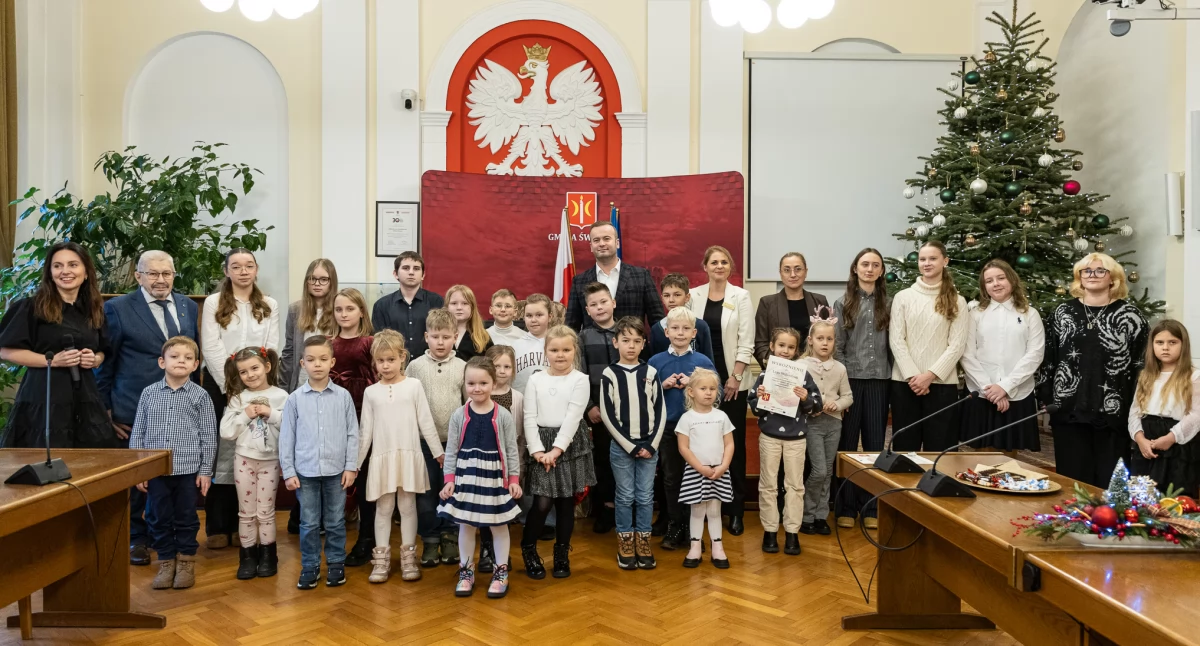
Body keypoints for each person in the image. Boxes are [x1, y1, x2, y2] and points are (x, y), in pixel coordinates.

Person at [96, 249, 200, 565]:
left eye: (166, 273)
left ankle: (164, 537)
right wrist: (106, 412)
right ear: (138, 276)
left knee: (171, 480)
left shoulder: (188, 307)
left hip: (180, 408)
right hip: (133, 409)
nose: (160, 279)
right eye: (152, 273)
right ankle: (135, 539)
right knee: (137, 481)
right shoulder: (117, 308)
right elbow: (105, 364)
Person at [1038, 253, 1149, 487]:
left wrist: (1139, 406)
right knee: (1071, 482)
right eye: (1086, 271)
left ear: (1113, 278)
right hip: (1068, 409)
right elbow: (1048, 357)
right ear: (1079, 278)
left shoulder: (1131, 316)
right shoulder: (1062, 313)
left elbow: (1142, 364)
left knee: (1111, 484)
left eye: (1100, 271)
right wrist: (1047, 398)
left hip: (1114, 412)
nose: (1092, 275)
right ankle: (1072, 523)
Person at [200, 248, 280, 550]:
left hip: (259, 386)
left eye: (249, 265)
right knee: (224, 447)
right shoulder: (213, 303)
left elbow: (271, 347)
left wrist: (258, 385)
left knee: (254, 447)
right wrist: (231, 386)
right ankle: (219, 525)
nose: (243, 271)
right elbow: (211, 346)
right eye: (236, 266)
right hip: (224, 387)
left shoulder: (269, 304)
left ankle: (255, 525)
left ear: (256, 270)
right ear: (227, 271)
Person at [0, 241, 112, 449]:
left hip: (85, 395)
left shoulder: (94, 310)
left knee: (90, 463)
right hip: (44, 393)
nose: (65, 271)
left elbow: (103, 350)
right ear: (50, 273)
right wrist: (51, 360)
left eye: (73, 265)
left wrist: (94, 359)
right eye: (57, 266)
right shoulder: (30, 307)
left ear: (86, 272)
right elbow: (6, 350)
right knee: (44, 460)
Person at [357, 329, 443, 584]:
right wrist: (355, 465)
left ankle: (408, 557)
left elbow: (426, 421)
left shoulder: (414, 386)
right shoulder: (371, 392)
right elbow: (365, 432)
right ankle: (381, 560)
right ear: (374, 362)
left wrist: (438, 453)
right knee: (383, 508)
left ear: (402, 357)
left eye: (391, 359)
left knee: (407, 506)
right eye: (381, 361)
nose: (386, 365)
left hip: (408, 456)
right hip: (383, 457)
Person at [130, 336, 216, 590]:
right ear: (161, 361)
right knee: (157, 517)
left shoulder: (200, 396)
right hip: (156, 470)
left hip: (188, 471)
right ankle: (166, 560)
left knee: (187, 516)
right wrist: (139, 470)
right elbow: (138, 433)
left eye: (188, 358)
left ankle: (186, 560)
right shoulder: (148, 394)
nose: (181, 361)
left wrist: (206, 471)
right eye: (175, 356)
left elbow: (209, 435)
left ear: (195, 364)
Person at [438, 357, 523, 598]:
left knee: (499, 525)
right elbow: (452, 450)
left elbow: (511, 449)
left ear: (493, 384)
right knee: (465, 525)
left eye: (483, 383)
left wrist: (513, 480)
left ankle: (501, 572)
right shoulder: (459, 415)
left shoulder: (502, 415)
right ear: (464, 384)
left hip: (495, 479)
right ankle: (466, 572)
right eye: (471, 383)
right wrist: (449, 479)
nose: (477, 388)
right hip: (467, 477)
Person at [280, 335, 359, 590]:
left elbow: (352, 433)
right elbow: (286, 437)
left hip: (337, 471)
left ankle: (336, 563)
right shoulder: (294, 399)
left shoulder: (343, 397)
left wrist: (350, 466)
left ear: (332, 362)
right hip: (306, 472)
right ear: (302, 363)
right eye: (311, 360)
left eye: (323, 359)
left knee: (336, 521)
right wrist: (289, 471)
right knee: (309, 522)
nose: (317, 364)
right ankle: (310, 565)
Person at [520, 325, 596, 580]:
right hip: (540, 445)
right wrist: (537, 451)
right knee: (541, 503)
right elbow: (528, 417)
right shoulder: (535, 379)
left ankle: (561, 553)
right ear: (545, 352)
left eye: (566, 349)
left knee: (565, 503)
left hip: (569, 444)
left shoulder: (580, 380)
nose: (560, 355)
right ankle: (528, 550)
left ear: (574, 351)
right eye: (554, 350)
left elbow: (574, 418)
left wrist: (556, 450)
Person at [688, 245, 753, 536]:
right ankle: (701, 509)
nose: (719, 266)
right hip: (699, 380)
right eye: (713, 261)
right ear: (705, 266)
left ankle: (735, 511)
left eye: (724, 262)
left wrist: (736, 376)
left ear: (731, 266)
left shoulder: (741, 296)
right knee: (701, 445)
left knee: (732, 447)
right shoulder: (694, 295)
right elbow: (686, 335)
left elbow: (745, 339)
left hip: (731, 384)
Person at [648, 307, 718, 550]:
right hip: (668, 429)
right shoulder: (656, 361)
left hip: (698, 430)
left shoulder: (702, 362)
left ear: (694, 332)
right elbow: (645, 396)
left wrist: (695, 383)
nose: (680, 333)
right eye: (675, 328)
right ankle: (675, 525)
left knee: (696, 478)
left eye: (686, 328)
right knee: (671, 478)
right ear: (666, 332)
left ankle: (694, 528)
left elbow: (715, 393)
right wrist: (662, 385)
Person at [888, 241, 968, 453]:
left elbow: (957, 345)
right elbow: (896, 340)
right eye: (922, 259)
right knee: (905, 449)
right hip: (905, 383)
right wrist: (914, 376)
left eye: (933, 258)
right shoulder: (903, 297)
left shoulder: (958, 301)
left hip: (942, 385)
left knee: (941, 450)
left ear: (945, 261)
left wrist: (929, 376)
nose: (927, 263)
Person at [747, 328, 821, 556]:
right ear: (772, 346)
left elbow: (817, 405)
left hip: (796, 439)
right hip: (769, 437)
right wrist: (759, 396)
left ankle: (792, 532)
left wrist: (805, 398)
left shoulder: (803, 375)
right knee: (768, 485)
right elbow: (754, 407)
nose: (785, 351)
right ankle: (770, 531)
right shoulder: (764, 375)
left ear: (797, 350)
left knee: (795, 486)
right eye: (781, 346)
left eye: (790, 347)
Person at [600, 317, 666, 570]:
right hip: (622, 447)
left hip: (649, 445)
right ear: (616, 342)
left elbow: (659, 411)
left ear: (643, 344)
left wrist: (651, 444)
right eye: (625, 340)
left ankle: (643, 541)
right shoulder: (610, 374)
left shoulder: (651, 372)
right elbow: (607, 414)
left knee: (646, 496)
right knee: (625, 495)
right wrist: (629, 445)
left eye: (637, 341)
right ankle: (626, 542)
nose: (631, 346)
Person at [833, 248, 892, 530]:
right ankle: (845, 506)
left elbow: (894, 347)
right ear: (855, 268)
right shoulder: (842, 302)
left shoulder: (890, 304)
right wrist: (842, 386)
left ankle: (871, 507)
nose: (869, 269)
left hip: (880, 381)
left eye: (875, 265)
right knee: (847, 446)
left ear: (881, 271)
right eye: (864, 264)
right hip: (850, 381)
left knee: (873, 447)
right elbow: (838, 347)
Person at [960, 260, 1045, 451]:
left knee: (1009, 454)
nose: (995, 284)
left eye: (1000, 278)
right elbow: (967, 355)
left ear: (1012, 280)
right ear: (984, 286)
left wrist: (1005, 387)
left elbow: (1035, 354)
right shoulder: (975, 314)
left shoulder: (1030, 314)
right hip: (982, 393)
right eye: (989, 281)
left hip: (1017, 393)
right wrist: (991, 390)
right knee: (981, 454)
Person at [219, 346, 287, 580]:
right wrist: (245, 414)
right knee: (246, 512)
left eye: (255, 368)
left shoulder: (282, 396)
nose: (250, 375)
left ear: (267, 367)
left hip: (270, 461)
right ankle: (248, 555)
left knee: (265, 512)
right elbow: (226, 431)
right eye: (244, 372)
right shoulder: (238, 399)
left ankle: (268, 555)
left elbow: (291, 426)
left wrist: (272, 413)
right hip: (245, 460)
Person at [406, 308, 467, 567]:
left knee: (453, 491)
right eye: (435, 336)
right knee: (427, 493)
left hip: (455, 444)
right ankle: (430, 540)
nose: (440, 342)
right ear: (425, 337)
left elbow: (468, 404)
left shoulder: (463, 367)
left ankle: (450, 537)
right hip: (423, 444)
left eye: (445, 337)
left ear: (455, 336)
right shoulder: (415, 367)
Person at [331, 287, 378, 566]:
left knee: (364, 481)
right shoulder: (328, 344)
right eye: (339, 309)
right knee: (341, 479)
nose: (344, 314)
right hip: (337, 419)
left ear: (361, 311)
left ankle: (367, 538)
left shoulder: (369, 343)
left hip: (366, 419)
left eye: (350, 308)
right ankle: (336, 538)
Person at [1129, 320, 1200, 495]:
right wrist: (1140, 439)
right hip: (1147, 442)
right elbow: (1135, 411)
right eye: (1159, 342)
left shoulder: (1194, 376)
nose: (1165, 348)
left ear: (1183, 345)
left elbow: (1196, 414)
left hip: (1177, 443)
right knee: (1142, 496)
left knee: (1174, 496)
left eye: (1172, 342)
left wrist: (1171, 437)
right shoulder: (1146, 376)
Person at [676, 368, 735, 569]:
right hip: (696, 472)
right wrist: (700, 468)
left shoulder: (722, 416)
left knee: (715, 510)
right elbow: (683, 447)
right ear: (691, 391)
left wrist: (723, 466)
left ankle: (718, 548)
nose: (708, 392)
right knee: (697, 510)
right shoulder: (687, 418)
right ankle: (694, 547)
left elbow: (729, 444)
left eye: (712, 388)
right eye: (703, 388)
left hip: (718, 472)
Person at [799, 316, 852, 536]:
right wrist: (809, 403)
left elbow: (848, 397)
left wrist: (837, 403)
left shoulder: (839, 368)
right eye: (820, 338)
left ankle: (821, 516)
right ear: (810, 340)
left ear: (834, 342)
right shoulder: (800, 366)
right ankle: (806, 515)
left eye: (829, 339)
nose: (824, 343)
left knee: (828, 471)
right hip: (812, 424)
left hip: (834, 423)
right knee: (818, 470)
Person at [564, 221, 665, 334]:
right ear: (591, 246)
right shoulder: (579, 281)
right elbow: (571, 327)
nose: (601, 244)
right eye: (596, 240)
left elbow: (658, 322)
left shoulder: (642, 276)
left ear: (617, 243)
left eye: (607, 238)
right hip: (593, 350)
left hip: (634, 348)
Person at [577, 282, 620, 534]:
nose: (599, 307)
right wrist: (590, 406)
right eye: (593, 304)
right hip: (599, 414)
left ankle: (627, 507)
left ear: (612, 303)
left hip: (626, 413)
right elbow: (580, 375)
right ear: (588, 310)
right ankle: (607, 508)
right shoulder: (583, 337)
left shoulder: (627, 330)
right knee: (602, 461)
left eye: (603, 302)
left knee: (625, 459)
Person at [753, 252, 829, 366]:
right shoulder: (767, 303)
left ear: (806, 272)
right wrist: (776, 365)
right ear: (780, 273)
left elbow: (828, 337)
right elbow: (760, 343)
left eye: (798, 269)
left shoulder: (819, 301)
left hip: (815, 369)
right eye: (787, 270)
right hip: (779, 371)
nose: (793, 275)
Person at [371, 251, 444, 359]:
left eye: (416, 268)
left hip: (429, 364)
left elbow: (443, 335)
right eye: (406, 268)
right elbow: (379, 342)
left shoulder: (436, 301)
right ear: (395, 274)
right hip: (395, 368)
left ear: (423, 275)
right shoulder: (381, 305)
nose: (411, 272)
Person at [281, 258, 338, 393]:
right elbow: (289, 351)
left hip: (331, 381)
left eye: (323, 279)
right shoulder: (295, 310)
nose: (317, 284)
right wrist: (283, 387)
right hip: (302, 381)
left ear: (332, 282)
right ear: (307, 281)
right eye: (312, 279)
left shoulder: (339, 309)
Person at [649, 273, 715, 362]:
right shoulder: (656, 329)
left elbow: (708, 362)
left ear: (687, 297)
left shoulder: (700, 326)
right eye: (667, 295)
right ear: (662, 298)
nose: (671, 300)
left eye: (677, 295)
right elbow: (654, 365)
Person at [512, 293, 552, 393]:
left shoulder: (559, 345)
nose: (533, 320)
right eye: (529, 315)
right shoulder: (514, 346)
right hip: (522, 401)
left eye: (539, 315)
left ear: (550, 317)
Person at [446, 284, 494, 362]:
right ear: (447, 306)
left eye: (465, 303)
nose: (459, 308)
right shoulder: (437, 334)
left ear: (472, 307)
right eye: (454, 303)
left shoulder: (483, 337)